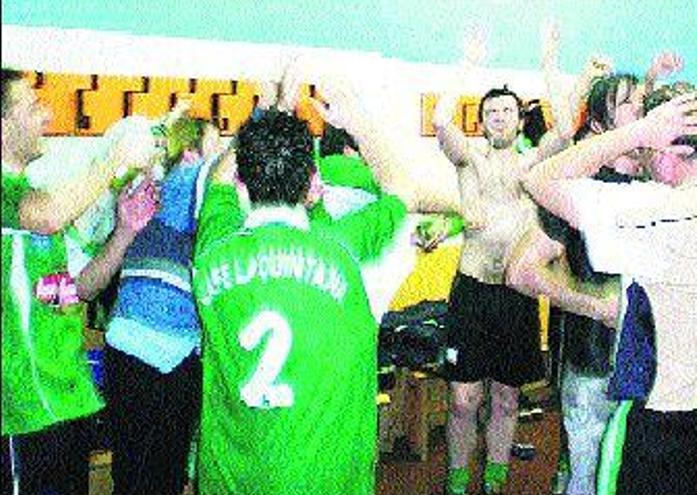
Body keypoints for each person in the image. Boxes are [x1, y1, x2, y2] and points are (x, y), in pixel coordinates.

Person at [523, 83, 697, 495]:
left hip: (669, 430)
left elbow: (540, 178)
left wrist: (636, 132)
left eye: (649, 151)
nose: (645, 163)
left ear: (670, 152)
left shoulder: (654, 215)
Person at [192, 82, 408, 492]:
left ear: (242, 184)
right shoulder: (344, 247)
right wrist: (360, 124)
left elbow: (221, 180)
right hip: (328, 480)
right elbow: (401, 189)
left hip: (231, 481)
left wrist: (268, 115)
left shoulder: (213, 245)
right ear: (313, 185)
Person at [1, 68, 158, 495]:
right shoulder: (21, 201)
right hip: (22, 411)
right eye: (32, 107)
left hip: (68, 404)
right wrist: (114, 157)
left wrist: (125, 230)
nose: (47, 116)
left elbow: (74, 290)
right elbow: (49, 216)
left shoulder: (32, 195)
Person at [434, 29, 573, 494]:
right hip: (472, 291)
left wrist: (549, 60)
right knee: (462, 399)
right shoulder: (468, 160)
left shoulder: (533, 163)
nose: (498, 118)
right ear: (483, 121)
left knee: (508, 399)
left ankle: (494, 480)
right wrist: (468, 64)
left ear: (518, 119)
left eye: (506, 111)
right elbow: (439, 119)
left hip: (518, 295)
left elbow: (567, 131)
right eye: (490, 112)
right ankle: (457, 481)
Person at [102, 113, 216, 495]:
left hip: (168, 351)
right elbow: (200, 183)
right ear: (190, 154)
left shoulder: (165, 191)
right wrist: (265, 111)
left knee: (153, 473)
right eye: (213, 147)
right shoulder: (175, 188)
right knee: (147, 474)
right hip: (148, 350)